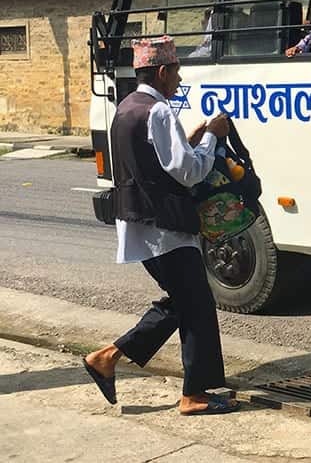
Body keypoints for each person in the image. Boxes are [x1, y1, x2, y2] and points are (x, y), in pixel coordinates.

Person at [82, 36, 237, 416]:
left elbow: (155, 160)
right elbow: (188, 172)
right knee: (197, 306)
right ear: (163, 72)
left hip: (142, 224)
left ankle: (108, 357)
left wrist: (191, 140)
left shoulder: (126, 108)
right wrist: (213, 140)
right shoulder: (159, 111)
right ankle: (193, 395)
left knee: (183, 303)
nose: (180, 81)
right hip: (166, 227)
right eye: (177, 73)